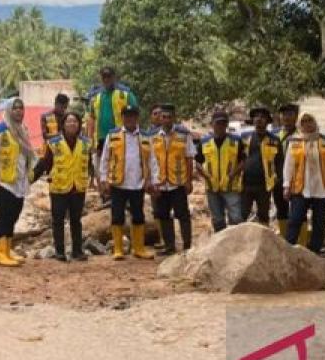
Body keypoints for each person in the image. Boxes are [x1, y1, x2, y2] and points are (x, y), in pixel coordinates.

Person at [98, 105, 156, 260]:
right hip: (118, 183)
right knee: (117, 216)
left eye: (132, 116)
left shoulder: (145, 136)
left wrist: (153, 180)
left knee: (138, 215)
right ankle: (118, 249)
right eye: (127, 116)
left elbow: (152, 160)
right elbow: (105, 158)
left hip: (138, 183)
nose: (130, 119)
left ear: (137, 117)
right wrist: (103, 179)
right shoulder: (113, 135)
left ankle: (139, 248)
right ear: (122, 117)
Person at [35, 111, 93, 262]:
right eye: (69, 121)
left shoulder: (86, 143)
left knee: (76, 220)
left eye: (75, 121)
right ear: (63, 125)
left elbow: (89, 163)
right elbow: (44, 163)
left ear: (79, 125)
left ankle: (77, 251)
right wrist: (30, 178)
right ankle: (59, 251)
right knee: (58, 220)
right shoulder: (53, 143)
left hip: (78, 187)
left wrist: (97, 180)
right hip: (58, 186)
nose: (72, 124)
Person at [0, 97, 36, 267]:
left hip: (19, 182)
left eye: (21, 108)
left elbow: (26, 157)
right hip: (3, 182)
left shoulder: (23, 131)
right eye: (15, 108)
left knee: (14, 215)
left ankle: (7, 249)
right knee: (4, 216)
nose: (18, 111)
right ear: (8, 110)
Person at [282, 113, 325, 253]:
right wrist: (286, 185)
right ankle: (288, 250)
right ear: (300, 125)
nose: (307, 124)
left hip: (321, 189)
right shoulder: (294, 142)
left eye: (310, 120)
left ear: (315, 122)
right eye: (304, 121)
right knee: (295, 220)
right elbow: (288, 165)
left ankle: (314, 252)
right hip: (301, 188)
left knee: (319, 223)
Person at [149, 103, 197, 254]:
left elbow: (189, 158)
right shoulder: (153, 136)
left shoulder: (184, 134)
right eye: (164, 117)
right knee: (163, 215)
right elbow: (150, 160)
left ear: (174, 118)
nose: (166, 120)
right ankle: (169, 246)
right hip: (161, 182)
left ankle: (187, 245)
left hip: (178, 182)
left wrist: (189, 181)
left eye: (170, 117)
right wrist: (152, 182)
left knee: (183, 215)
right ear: (160, 118)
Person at [198, 110, 244, 232]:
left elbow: (243, 161)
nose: (221, 126)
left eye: (224, 123)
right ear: (212, 124)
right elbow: (197, 162)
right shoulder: (204, 142)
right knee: (217, 219)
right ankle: (220, 246)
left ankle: (236, 245)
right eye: (218, 123)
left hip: (230, 186)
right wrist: (206, 176)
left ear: (227, 125)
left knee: (236, 218)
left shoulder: (236, 141)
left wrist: (232, 175)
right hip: (212, 187)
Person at [239, 107, 281, 227]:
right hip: (245, 183)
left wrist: (277, 180)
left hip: (264, 185)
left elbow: (279, 162)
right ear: (252, 120)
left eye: (263, 117)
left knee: (263, 215)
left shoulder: (274, 140)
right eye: (256, 116)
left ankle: (263, 242)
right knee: (241, 215)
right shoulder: (244, 137)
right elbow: (238, 158)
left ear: (268, 121)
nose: (259, 119)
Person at [85, 66, 139, 155]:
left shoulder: (126, 93)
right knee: (102, 167)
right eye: (104, 77)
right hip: (101, 139)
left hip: (121, 137)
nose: (106, 79)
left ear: (114, 77)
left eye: (109, 76)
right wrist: (90, 140)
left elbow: (136, 115)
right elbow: (92, 117)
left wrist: (135, 137)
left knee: (120, 165)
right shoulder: (96, 95)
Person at [274, 103, 302, 244]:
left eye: (290, 114)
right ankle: (284, 243)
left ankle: (301, 245)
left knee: (299, 211)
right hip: (278, 178)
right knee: (281, 209)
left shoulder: (301, 135)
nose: (286, 117)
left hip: (298, 178)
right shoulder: (274, 135)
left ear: (296, 117)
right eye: (284, 114)